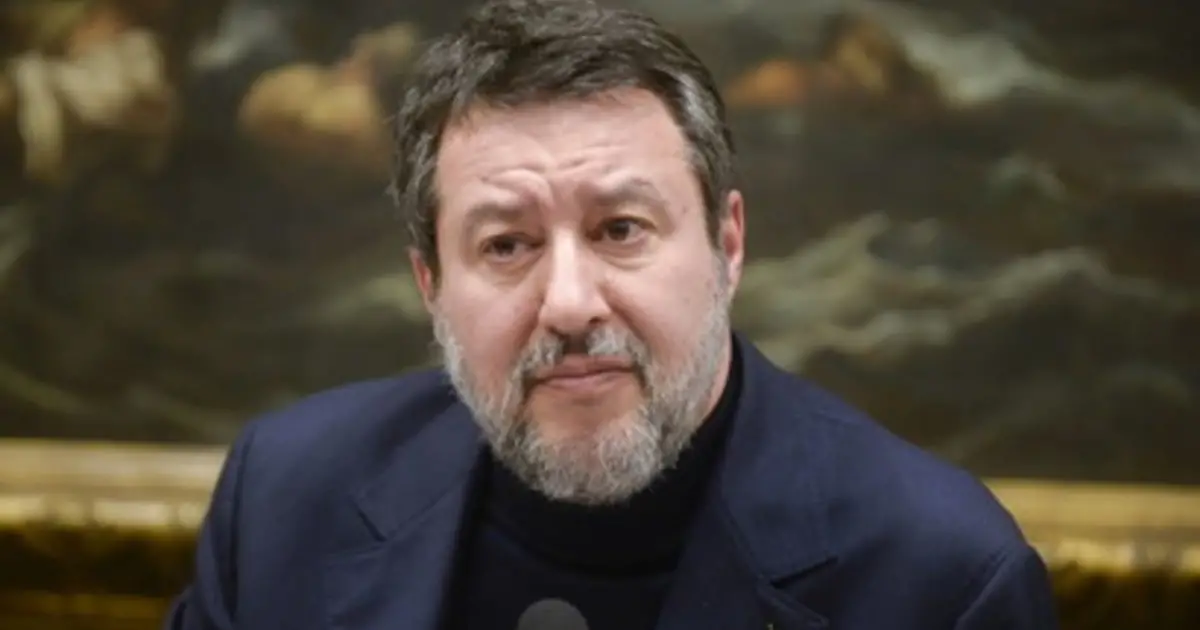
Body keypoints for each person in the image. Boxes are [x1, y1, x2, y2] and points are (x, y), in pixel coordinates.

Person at [163, 1, 1060, 628]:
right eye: (506, 245)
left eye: (621, 230)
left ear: (727, 245)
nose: (568, 304)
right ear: (429, 283)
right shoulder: (286, 499)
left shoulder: (942, 578)